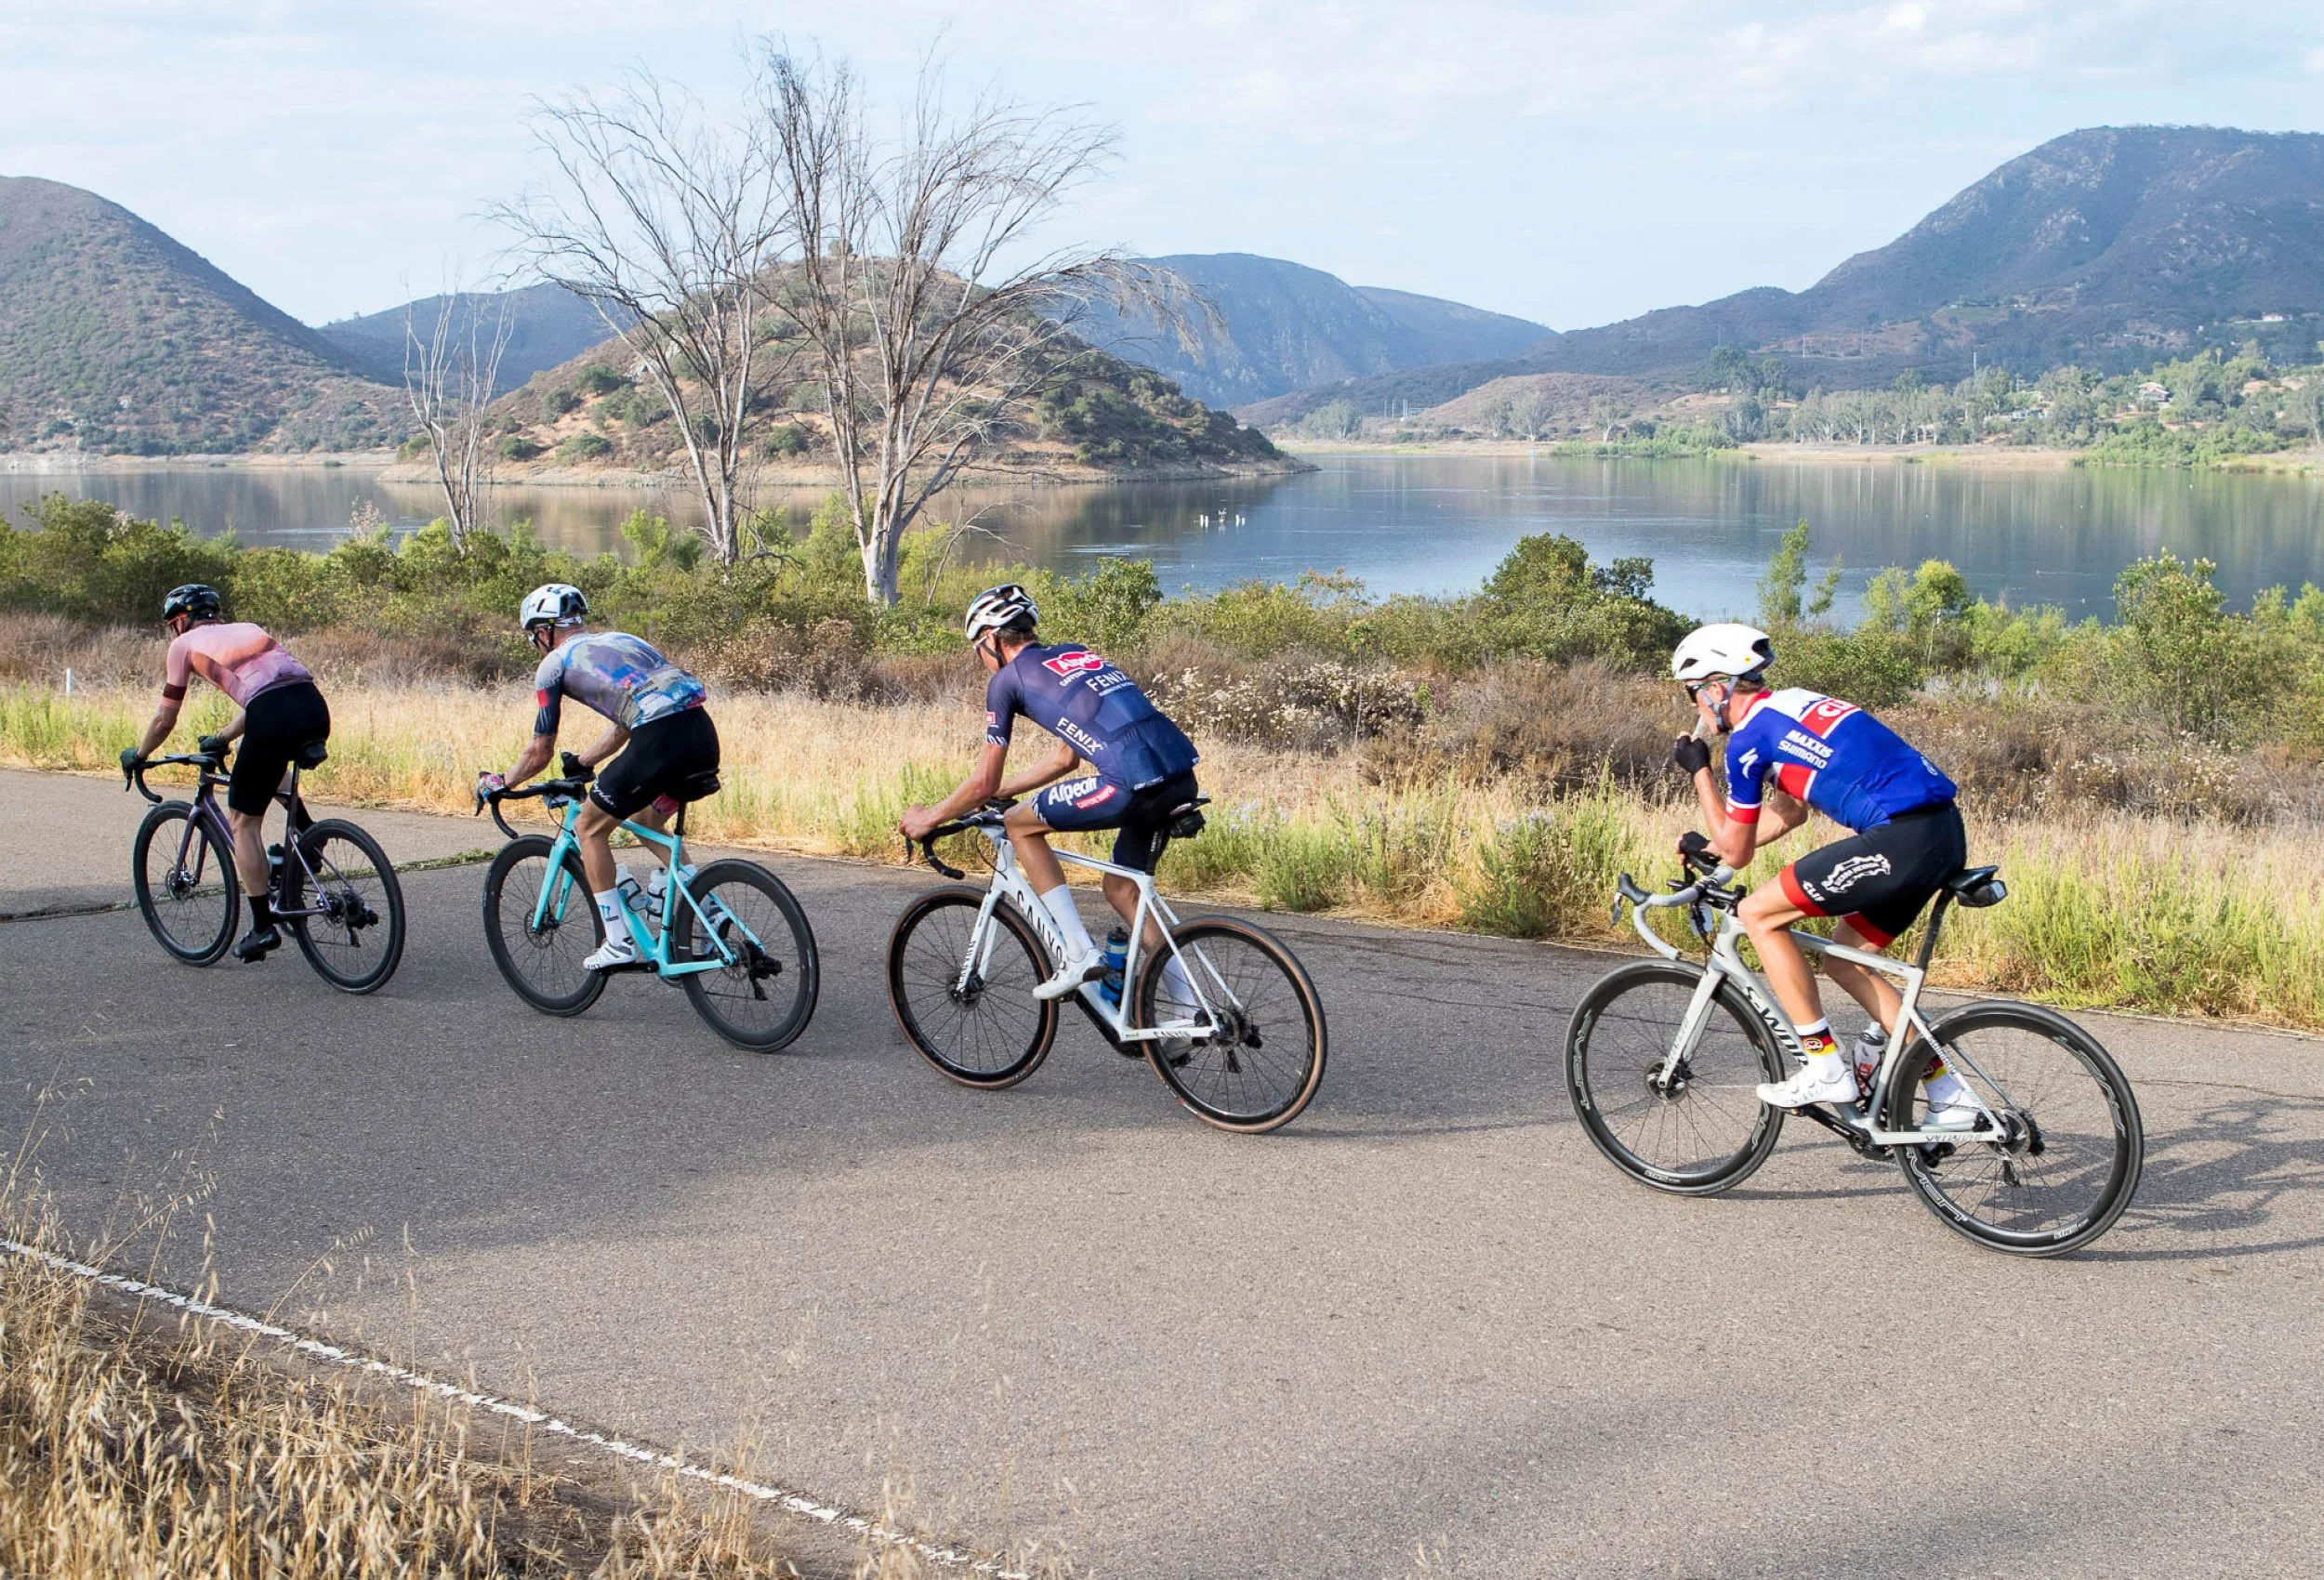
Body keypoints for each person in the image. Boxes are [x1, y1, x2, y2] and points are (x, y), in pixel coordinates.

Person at [1669, 623, 1981, 1126]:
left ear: (1717, 686)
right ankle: (1951, 1095)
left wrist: (1698, 770)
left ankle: (1824, 1065)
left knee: (1759, 915)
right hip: (1940, 832)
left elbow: (1738, 852)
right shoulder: (1794, 705)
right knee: (1848, 961)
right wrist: (1709, 846)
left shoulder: (1748, 741)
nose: (1695, 708)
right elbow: (1790, 813)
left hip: (1899, 839)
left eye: (1693, 694)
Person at [899, 584, 1202, 1002]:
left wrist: (930, 816)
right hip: (1179, 777)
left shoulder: (1008, 679)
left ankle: (1077, 954)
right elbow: (1065, 759)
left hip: (1128, 785)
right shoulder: (1076, 655)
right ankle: (1193, 1012)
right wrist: (1006, 789)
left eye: (977, 649)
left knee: (1018, 825)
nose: (980, 660)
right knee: (1121, 890)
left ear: (990, 639)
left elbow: (983, 782)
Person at [478, 583, 719, 971]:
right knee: (645, 821)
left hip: (658, 741)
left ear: (543, 631)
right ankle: (710, 916)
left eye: (534, 636)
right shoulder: (624, 640)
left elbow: (540, 751)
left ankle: (617, 941)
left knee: (590, 828)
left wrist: (501, 781)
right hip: (702, 736)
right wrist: (585, 760)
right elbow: (630, 720)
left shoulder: (553, 665)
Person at [123, 583, 331, 963]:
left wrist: (139, 754)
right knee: (268, 771)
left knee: (243, 822)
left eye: (174, 624)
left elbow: (165, 717)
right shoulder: (251, 629)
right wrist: (221, 737)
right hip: (314, 707)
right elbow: (272, 689)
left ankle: (263, 928)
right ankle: (309, 835)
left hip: (271, 714)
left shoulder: (183, 646)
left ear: (181, 621)